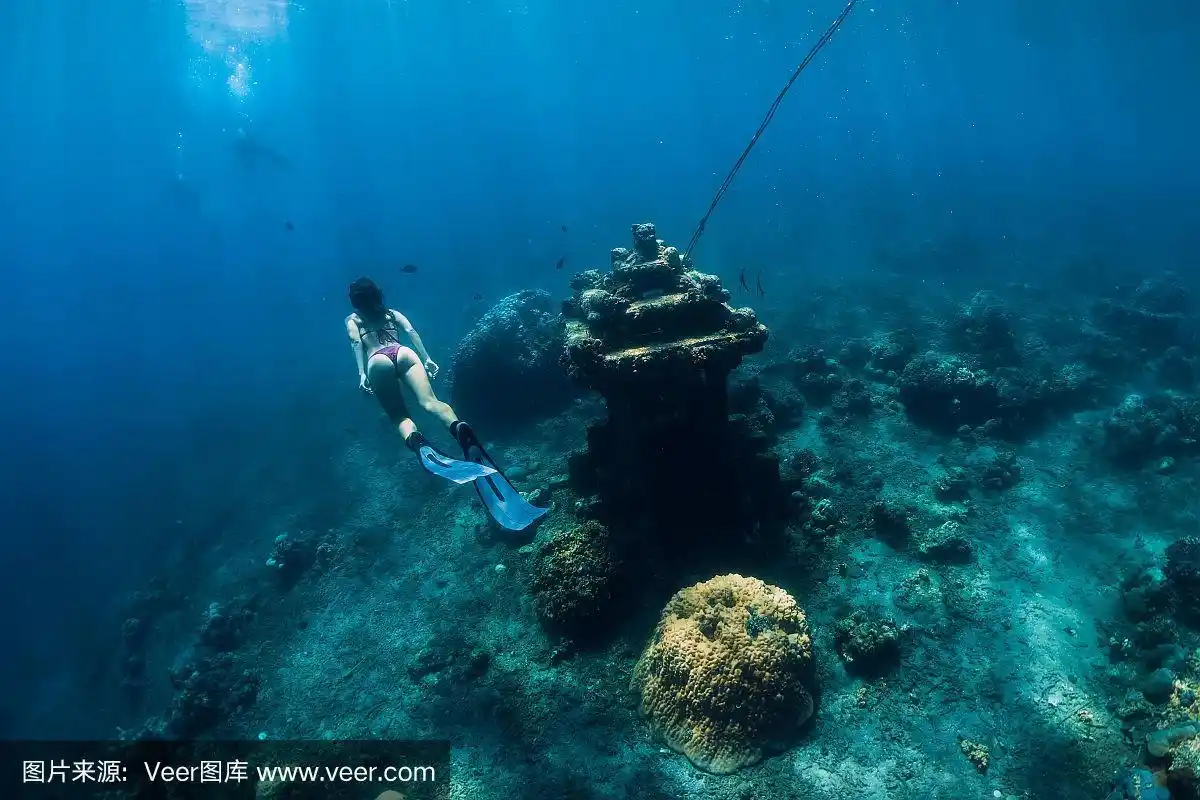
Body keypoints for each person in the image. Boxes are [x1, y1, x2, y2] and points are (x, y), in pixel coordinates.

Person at [344, 277, 549, 532]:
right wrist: (427, 359)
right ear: (378, 294)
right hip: (404, 353)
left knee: (399, 416)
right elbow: (411, 332)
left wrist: (362, 374)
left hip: (377, 360)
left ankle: (421, 446)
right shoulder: (392, 314)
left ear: (355, 300)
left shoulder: (354, 320)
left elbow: (356, 343)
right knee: (432, 402)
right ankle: (459, 427)